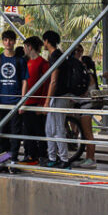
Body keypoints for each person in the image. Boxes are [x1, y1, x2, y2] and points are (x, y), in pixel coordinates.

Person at [43, 30, 74, 167]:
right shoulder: (56, 55)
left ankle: (64, 160)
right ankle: (52, 157)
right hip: (58, 96)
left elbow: (54, 80)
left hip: (59, 96)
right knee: (50, 129)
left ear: (47, 41)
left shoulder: (55, 56)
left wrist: (47, 100)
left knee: (57, 128)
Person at [20, 35, 48, 165]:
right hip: (26, 102)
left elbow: (46, 85)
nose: (24, 49)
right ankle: (30, 154)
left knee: (39, 130)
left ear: (29, 47)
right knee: (27, 130)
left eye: (25, 47)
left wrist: (43, 104)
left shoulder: (42, 63)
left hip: (36, 103)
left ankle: (41, 154)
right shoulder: (26, 62)